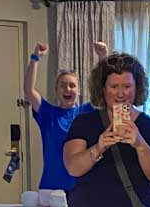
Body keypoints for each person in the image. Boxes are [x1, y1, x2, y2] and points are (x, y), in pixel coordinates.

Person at [63, 52, 150, 207]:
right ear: (103, 89)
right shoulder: (84, 122)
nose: (120, 94)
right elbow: (72, 167)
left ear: (137, 88)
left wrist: (140, 144)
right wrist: (98, 148)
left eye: (127, 87)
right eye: (114, 87)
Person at [23, 40, 106, 195]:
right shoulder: (48, 113)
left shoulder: (86, 112)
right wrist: (35, 58)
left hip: (83, 189)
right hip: (51, 189)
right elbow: (28, 90)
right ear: (56, 90)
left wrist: (102, 57)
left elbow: (105, 94)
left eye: (72, 86)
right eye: (63, 85)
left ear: (79, 91)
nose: (67, 89)